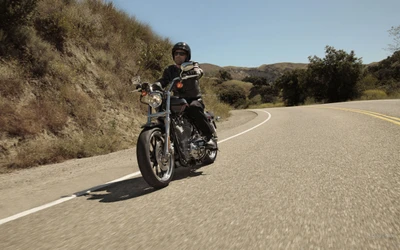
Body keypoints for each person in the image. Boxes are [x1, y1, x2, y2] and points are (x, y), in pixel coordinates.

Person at [154, 42, 217, 150]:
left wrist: (197, 72)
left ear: (187, 56)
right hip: (178, 99)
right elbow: (163, 81)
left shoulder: (192, 65)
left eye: (181, 53)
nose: (178, 55)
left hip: (194, 99)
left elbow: (199, 70)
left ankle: (208, 137)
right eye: (176, 53)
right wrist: (154, 86)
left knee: (194, 107)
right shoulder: (170, 70)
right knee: (163, 107)